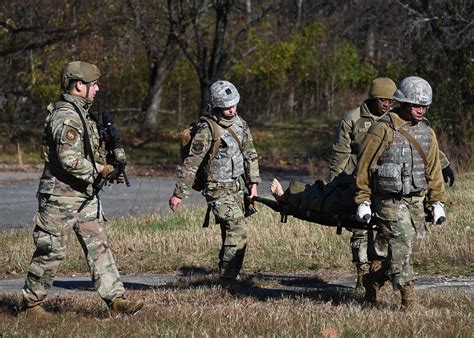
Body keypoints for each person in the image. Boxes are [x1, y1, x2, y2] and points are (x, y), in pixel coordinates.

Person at [22, 61, 144, 319]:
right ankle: (31, 305)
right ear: (79, 85)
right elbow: (69, 160)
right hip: (60, 197)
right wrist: (100, 171)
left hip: (85, 196)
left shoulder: (83, 113)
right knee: (51, 251)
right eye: (94, 84)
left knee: (99, 247)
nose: (97, 89)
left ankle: (116, 300)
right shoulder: (65, 116)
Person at [354, 76, 446, 310]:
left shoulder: (427, 132)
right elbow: (363, 167)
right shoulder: (382, 129)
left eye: (424, 106)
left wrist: (437, 200)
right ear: (402, 103)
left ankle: (373, 280)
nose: (420, 111)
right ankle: (410, 303)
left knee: (407, 250)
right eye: (416, 105)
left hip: (415, 200)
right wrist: (362, 199)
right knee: (402, 247)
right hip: (388, 201)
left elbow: (434, 169)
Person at [169, 80, 261, 284]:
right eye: (227, 107)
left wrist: (252, 182)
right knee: (238, 228)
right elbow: (192, 163)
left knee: (229, 230)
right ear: (216, 106)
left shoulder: (240, 123)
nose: (232, 110)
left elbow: (250, 153)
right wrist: (179, 194)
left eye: (234, 105)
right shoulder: (207, 129)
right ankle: (228, 279)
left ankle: (227, 273)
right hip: (216, 188)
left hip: (236, 186)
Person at [329, 77, 397, 291]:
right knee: (359, 229)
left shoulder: (396, 119)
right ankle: (362, 274)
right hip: (355, 180)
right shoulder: (353, 118)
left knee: (385, 229)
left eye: (389, 100)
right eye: (381, 99)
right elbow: (341, 153)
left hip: (386, 183)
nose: (385, 104)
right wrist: (335, 185)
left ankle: (376, 273)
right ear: (372, 98)